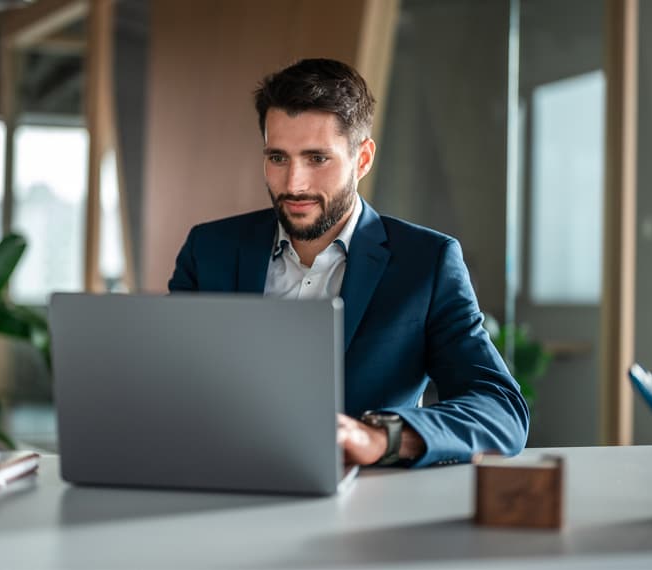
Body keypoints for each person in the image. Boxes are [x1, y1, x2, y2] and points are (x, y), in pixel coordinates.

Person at [169, 58, 529, 467]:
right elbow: (166, 382)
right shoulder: (208, 249)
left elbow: (501, 410)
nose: (294, 184)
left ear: (362, 159)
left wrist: (382, 437)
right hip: (217, 487)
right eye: (278, 158)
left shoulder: (427, 263)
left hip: (360, 506)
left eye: (317, 158)